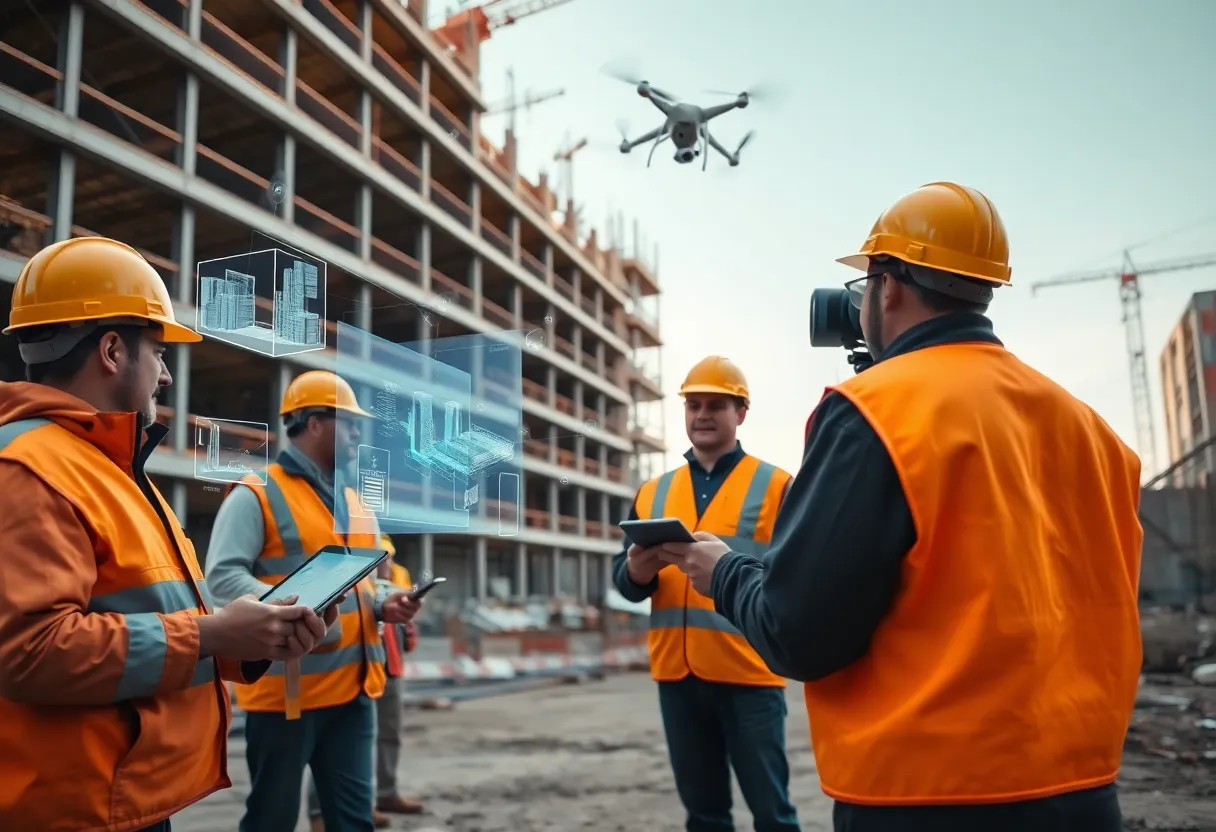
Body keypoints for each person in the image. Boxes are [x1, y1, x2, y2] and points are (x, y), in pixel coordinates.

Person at [659, 182, 1143, 832]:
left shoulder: (876, 412)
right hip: (1082, 792)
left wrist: (724, 572)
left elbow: (796, 632)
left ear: (885, 286)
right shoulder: (1092, 431)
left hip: (925, 796)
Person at [0, 236, 331, 831]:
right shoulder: (28, 468)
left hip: (116, 795)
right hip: (71, 808)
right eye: (157, 351)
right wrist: (213, 632)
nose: (166, 374)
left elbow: (142, 616)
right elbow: (31, 652)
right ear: (111, 351)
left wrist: (247, 639)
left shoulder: (105, 468)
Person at [205, 370, 422, 832]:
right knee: (273, 820)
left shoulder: (356, 502)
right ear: (314, 423)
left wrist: (388, 602)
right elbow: (222, 578)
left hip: (355, 692)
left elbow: (365, 583)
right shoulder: (257, 492)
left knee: (353, 822)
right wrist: (289, 606)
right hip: (286, 697)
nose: (359, 432)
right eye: (350, 422)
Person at [613, 355, 800, 832]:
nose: (702, 415)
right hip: (677, 677)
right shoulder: (652, 492)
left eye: (716, 405)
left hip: (750, 675)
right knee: (704, 816)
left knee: (773, 815)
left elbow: (797, 579)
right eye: (693, 405)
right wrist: (635, 571)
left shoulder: (777, 486)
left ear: (741, 412)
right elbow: (625, 584)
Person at [304, 533, 423, 830]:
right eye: (382, 557)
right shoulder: (355, 580)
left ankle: (385, 795)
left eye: (389, 557)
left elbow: (403, 623)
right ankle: (321, 813)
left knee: (388, 735)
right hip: (355, 667)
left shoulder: (398, 580)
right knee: (336, 749)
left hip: (388, 665)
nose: (386, 563)